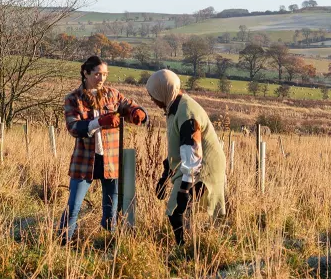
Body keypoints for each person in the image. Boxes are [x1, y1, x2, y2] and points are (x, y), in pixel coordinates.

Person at [59, 56, 148, 243]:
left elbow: (129, 105)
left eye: (105, 74)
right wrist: (99, 122)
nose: (102, 79)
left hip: (110, 159)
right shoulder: (73, 99)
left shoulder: (112, 95)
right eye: (98, 74)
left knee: (111, 207)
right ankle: (63, 241)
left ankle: (108, 241)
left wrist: (137, 112)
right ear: (86, 73)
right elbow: (73, 128)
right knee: (74, 205)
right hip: (85, 161)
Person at [146, 69, 226, 246]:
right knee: (180, 210)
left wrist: (184, 189)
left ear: (164, 90)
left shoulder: (187, 112)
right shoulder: (174, 107)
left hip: (204, 165)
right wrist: (166, 175)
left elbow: (192, 151)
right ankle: (189, 245)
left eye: (153, 95)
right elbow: (177, 147)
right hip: (193, 163)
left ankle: (186, 249)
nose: (152, 100)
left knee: (177, 209)